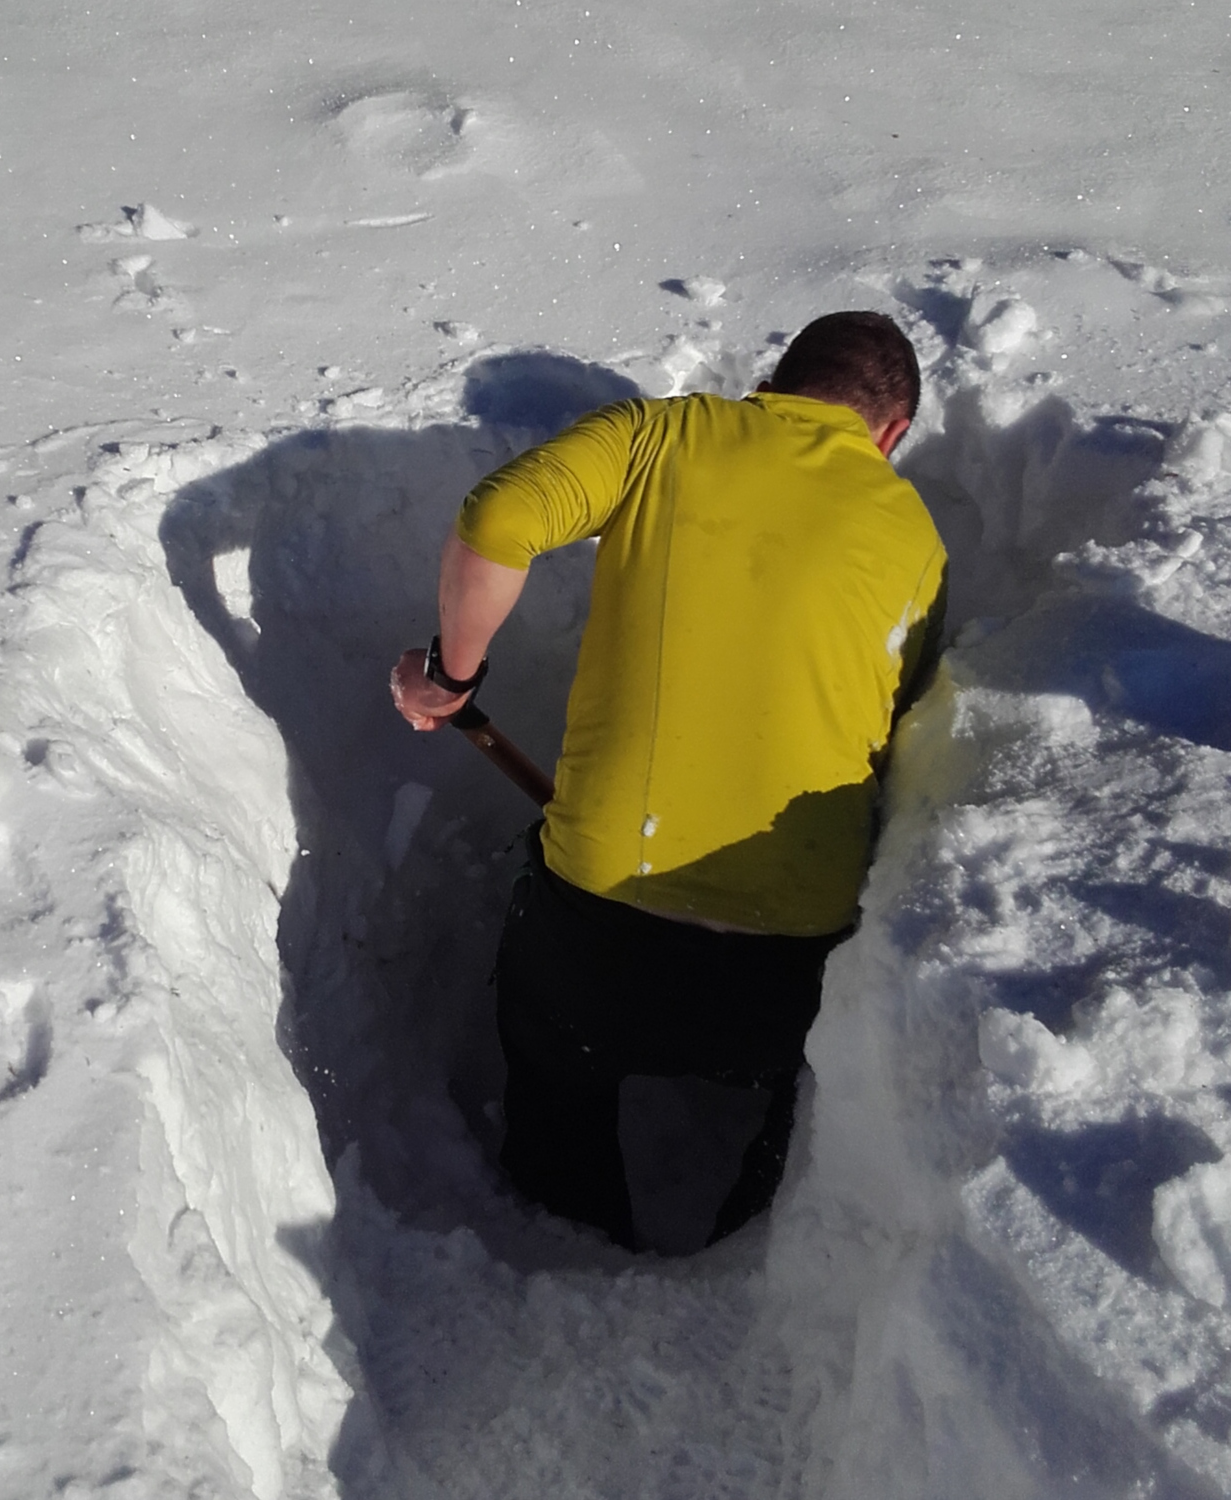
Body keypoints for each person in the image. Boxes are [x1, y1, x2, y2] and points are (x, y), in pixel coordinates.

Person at [390, 311, 947, 1249]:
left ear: (776, 382)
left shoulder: (663, 436)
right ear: (888, 434)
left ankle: (568, 1234)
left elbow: (497, 520)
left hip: (598, 942)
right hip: (788, 973)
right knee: (795, 1102)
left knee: (554, 1053)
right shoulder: (918, 541)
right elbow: (901, 729)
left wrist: (450, 677)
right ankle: (763, 1241)